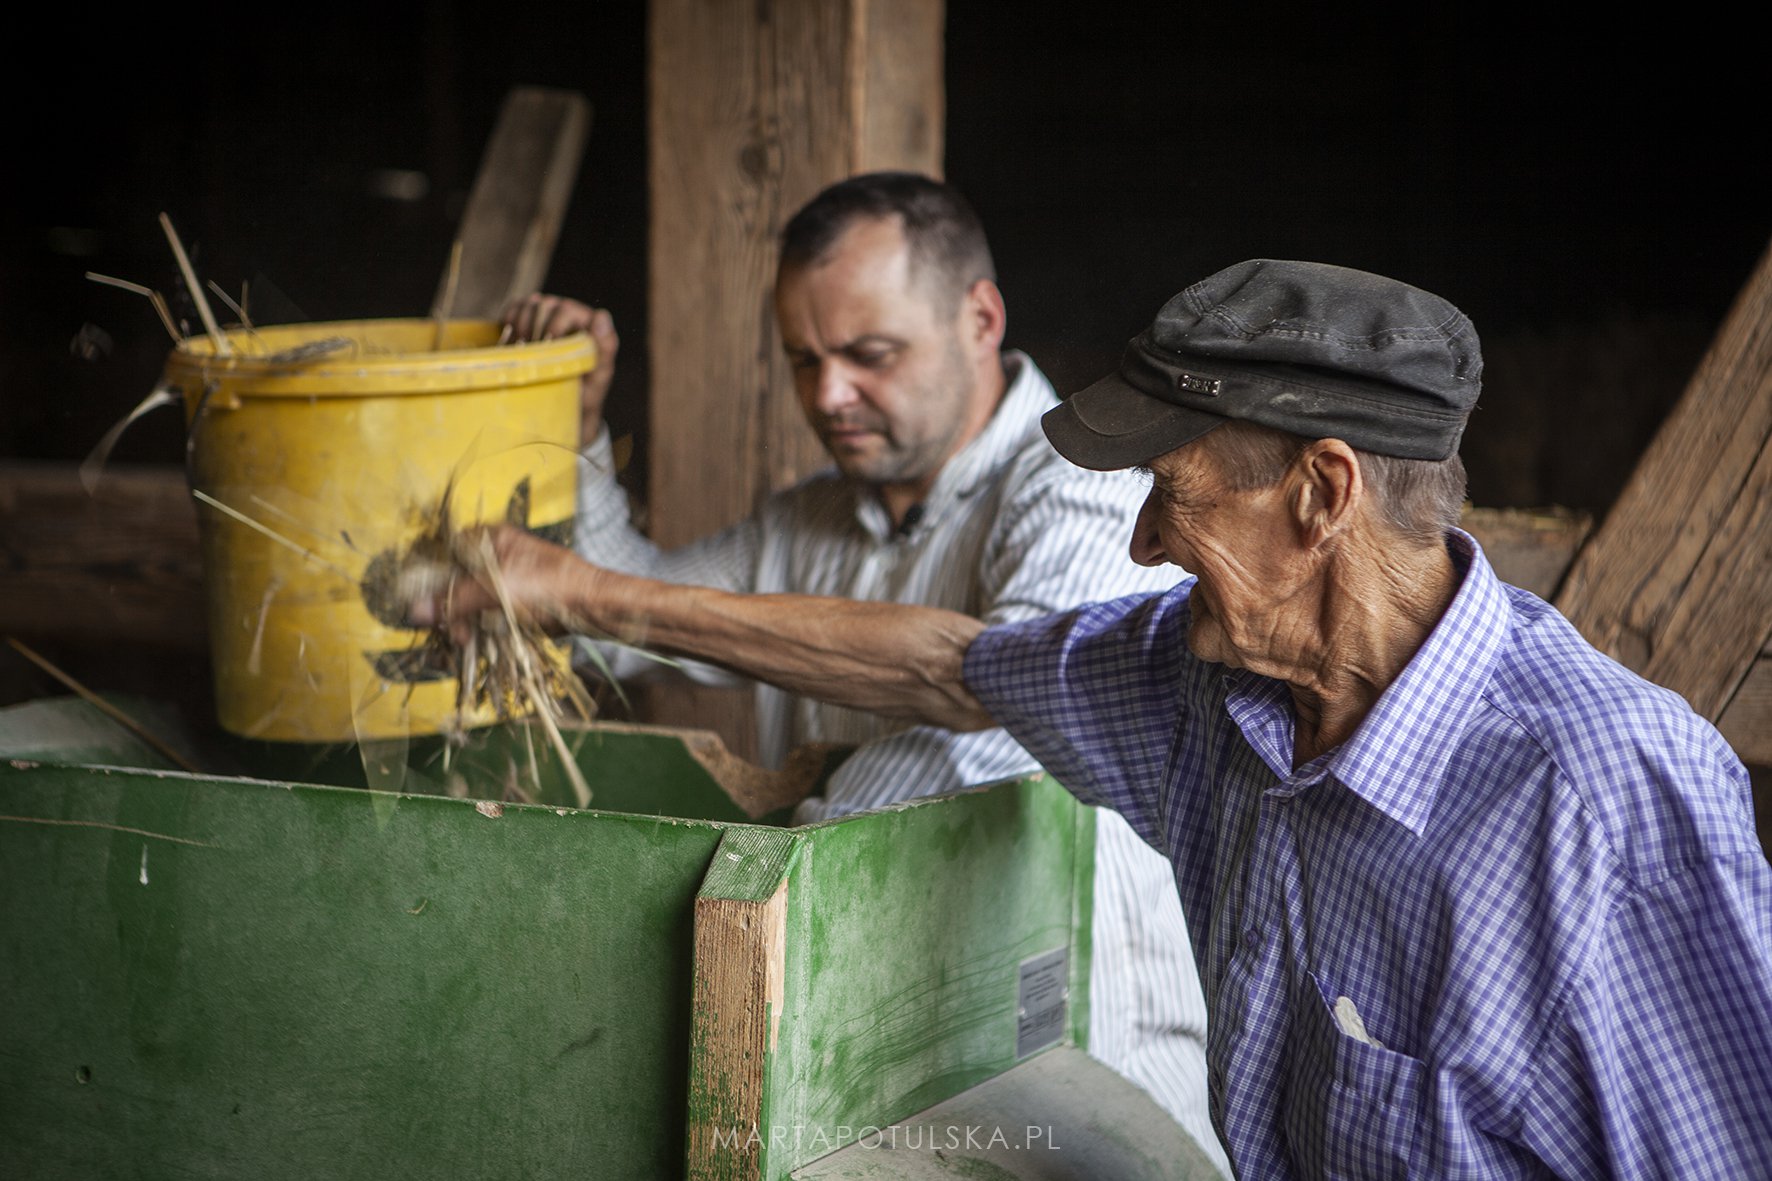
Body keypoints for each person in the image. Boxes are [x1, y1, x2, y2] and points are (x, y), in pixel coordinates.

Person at [423, 256, 1772, 1178]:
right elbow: (948, 665)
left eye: (1172, 495)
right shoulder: (1205, 687)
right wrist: (573, 588)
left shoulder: (1607, 795)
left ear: (1321, 494)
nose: (1138, 545)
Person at [494, 172, 1228, 1174]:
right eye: (805, 360)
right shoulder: (809, 519)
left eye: (869, 355)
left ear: (979, 319)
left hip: (1077, 1078)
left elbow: (989, 718)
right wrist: (579, 432)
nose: (829, 395)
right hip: (868, 1067)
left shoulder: (1083, 493)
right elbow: (620, 626)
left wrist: (760, 867)